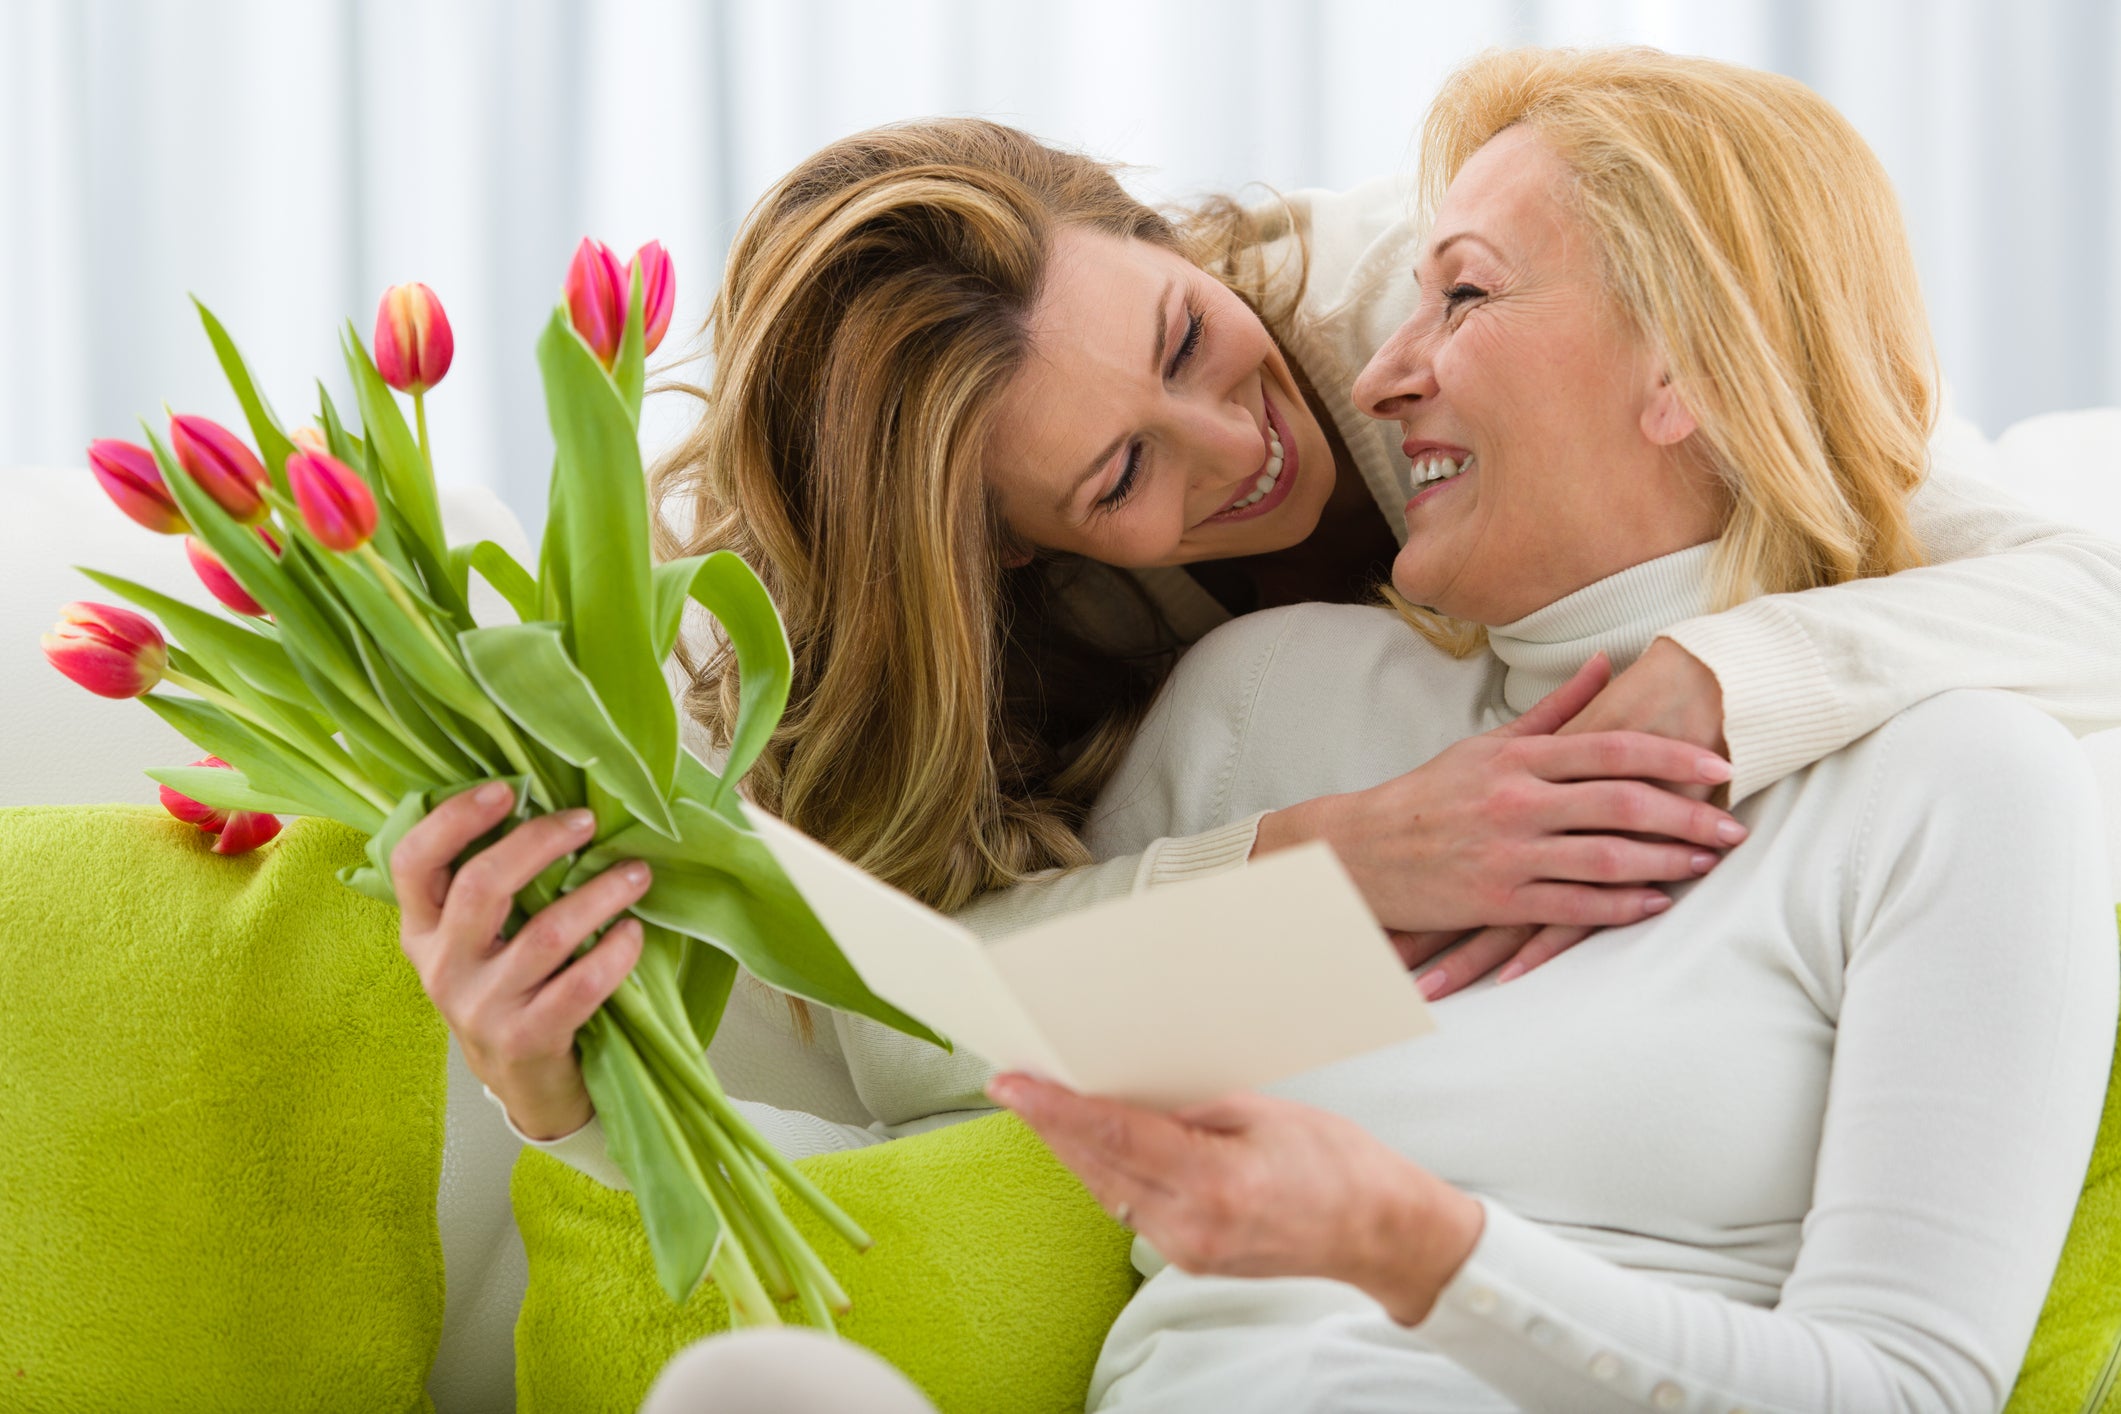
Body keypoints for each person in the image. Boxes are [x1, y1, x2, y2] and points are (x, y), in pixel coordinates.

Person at [632, 46, 2119, 1413]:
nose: (1371, 374)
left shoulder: (1952, 780)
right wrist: (1323, 879)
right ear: (1023, 548)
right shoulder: (1262, 694)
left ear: (1689, 359)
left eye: (1459, 297)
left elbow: (1909, 1388)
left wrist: (1414, 1246)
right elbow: (934, 1033)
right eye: (1116, 474)